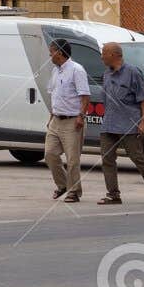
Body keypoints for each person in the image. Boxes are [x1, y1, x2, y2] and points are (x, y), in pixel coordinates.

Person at [98, 42, 144, 205]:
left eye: (104, 53)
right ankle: (113, 194)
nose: (101, 56)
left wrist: (143, 122)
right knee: (107, 158)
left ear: (114, 55)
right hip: (109, 123)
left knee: (137, 157)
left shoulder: (133, 72)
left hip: (129, 124)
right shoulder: (106, 74)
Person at [43, 39, 90, 202]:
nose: (50, 54)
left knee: (72, 159)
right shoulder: (55, 71)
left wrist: (81, 116)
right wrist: (50, 118)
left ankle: (74, 191)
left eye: (52, 51)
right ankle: (63, 185)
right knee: (49, 154)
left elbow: (85, 96)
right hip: (56, 120)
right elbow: (54, 95)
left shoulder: (77, 70)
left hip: (72, 120)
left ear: (60, 53)